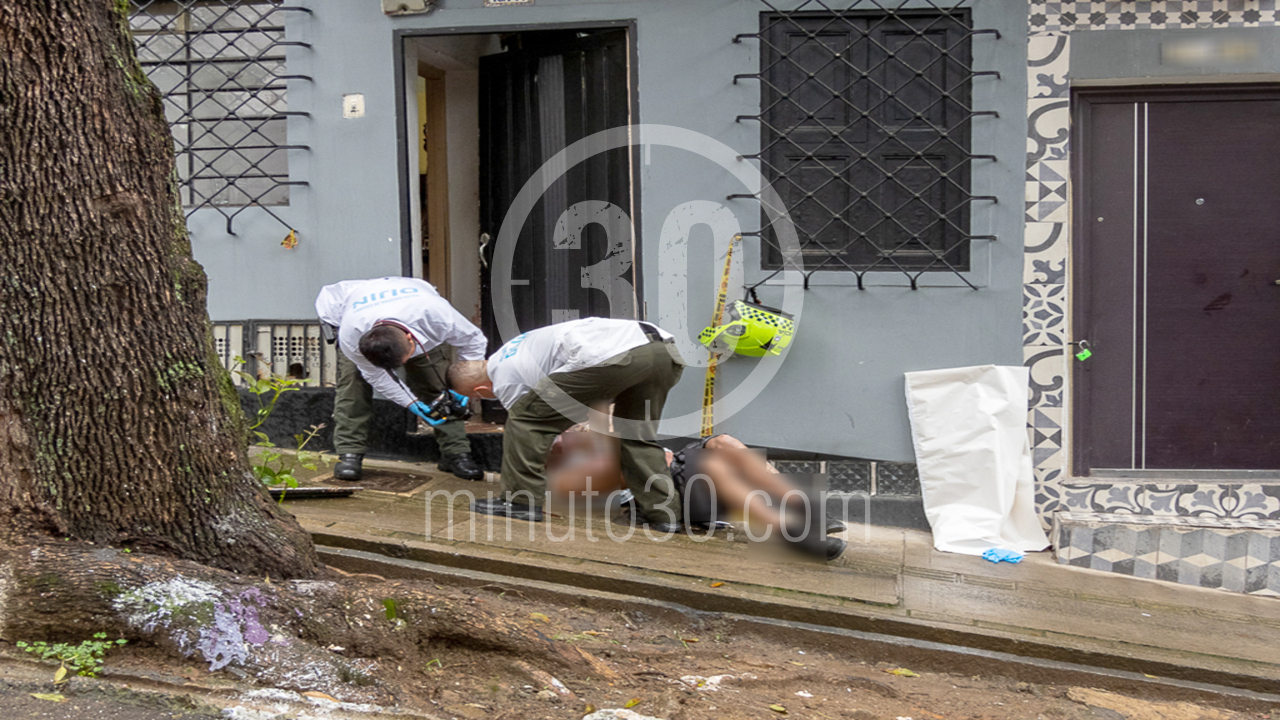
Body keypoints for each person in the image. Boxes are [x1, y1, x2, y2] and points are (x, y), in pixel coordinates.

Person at [447, 317, 684, 531]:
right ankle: (662, 514)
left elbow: (534, 436)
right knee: (635, 435)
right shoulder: (509, 351)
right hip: (662, 349)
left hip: (612, 358)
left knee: (524, 421)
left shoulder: (503, 379)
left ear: (480, 390)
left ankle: (519, 502)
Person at [546, 426, 848, 561]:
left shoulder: (621, 440)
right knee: (714, 467)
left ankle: (804, 508)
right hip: (666, 495)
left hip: (680, 470)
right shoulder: (592, 465)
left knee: (722, 442)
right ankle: (793, 534)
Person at [315, 277, 487, 482]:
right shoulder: (351, 335)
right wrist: (412, 404)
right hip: (353, 315)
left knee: (437, 384)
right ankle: (349, 454)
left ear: (410, 339)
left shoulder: (437, 316)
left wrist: (463, 388)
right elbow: (375, 376)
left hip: (415, 311)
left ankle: (456, 453)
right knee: (353, 388)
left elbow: (474, 341)